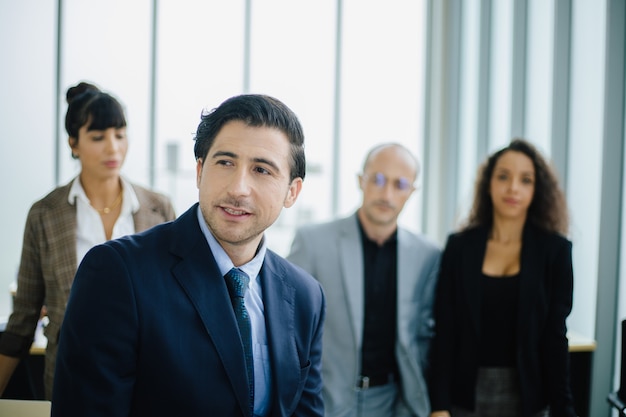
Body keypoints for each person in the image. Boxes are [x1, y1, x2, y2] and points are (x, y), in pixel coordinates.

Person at [51, 94, 325, 417]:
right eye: (225, 163)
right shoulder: (117, 273)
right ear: (199, 171)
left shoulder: (306, 297)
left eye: (262, 170)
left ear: (292, 191)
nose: (238, 188)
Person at [0, 82, 176, 400]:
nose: (113, 148)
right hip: (69, 381)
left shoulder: (158, 208)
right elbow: (24, 317)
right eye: (98, 137)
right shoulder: (45, 215)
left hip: (149, 380)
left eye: (120, 135)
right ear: (73, 143)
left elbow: (178, 304)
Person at [287, 143, 441, 417]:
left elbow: (426, 337)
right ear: (361, 181)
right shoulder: (313, 242)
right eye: (378, 179)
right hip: (324, 400)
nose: (387, 193)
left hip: (396, 403)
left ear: (412, 191)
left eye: (400, 184)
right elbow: (288, 327)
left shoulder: (427, 256)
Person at [428, 138, 576, 417]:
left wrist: (564, 409)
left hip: (530, 395)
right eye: (503, 176)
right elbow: (445, 331)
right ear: (488, 183)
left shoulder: (556, 251)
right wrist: (439, 405)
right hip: (465, 394)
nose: (513, 188)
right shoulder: (460, 247)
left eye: (526, 180)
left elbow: (555, 337)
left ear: (537, 189)